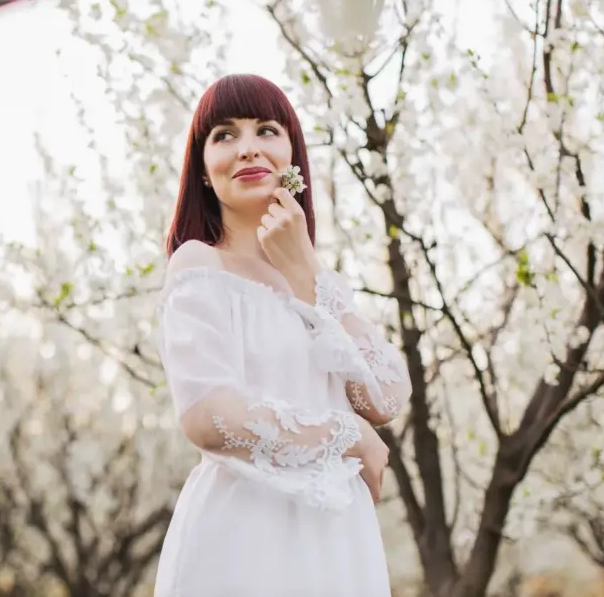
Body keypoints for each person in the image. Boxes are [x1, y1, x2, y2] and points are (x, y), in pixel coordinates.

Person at [154, 74, 413, 597]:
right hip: (245, 533)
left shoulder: (314, 279)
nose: (247, 148)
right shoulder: (200, 264)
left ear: (292, 155)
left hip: (336, 541)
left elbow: (386, 396)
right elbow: (208, 416)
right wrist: (347, 435)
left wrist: (307, 274)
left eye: (266, 130)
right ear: (203, 170)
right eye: (224, 135)